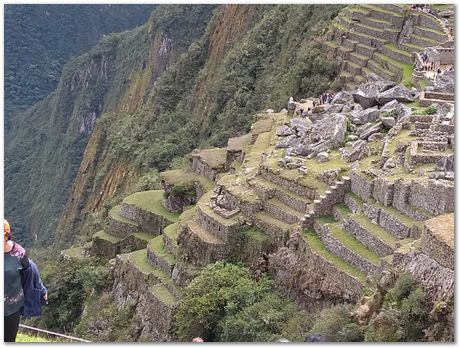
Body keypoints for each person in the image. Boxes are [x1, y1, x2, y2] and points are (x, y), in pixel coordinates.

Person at [4, 219, 28, 342]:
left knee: (8, 340)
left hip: (12, 308)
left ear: (6, 235)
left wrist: (40, 289)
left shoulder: (19, 253)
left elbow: (28, 273)